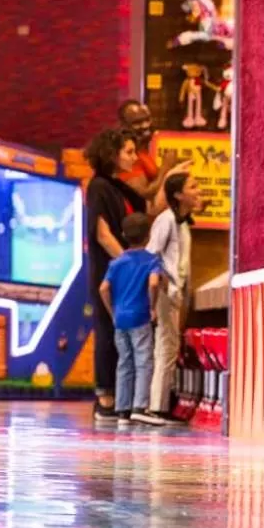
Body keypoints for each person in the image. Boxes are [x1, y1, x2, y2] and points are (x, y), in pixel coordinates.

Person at [84, 127, 148, 423]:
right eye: (129, 151)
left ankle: (123, 396)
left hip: (124, 268)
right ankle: (104, 396)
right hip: (112, 270)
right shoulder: (98, 186)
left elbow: (148, 205)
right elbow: (102, 232)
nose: (134, 157)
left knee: (122, 332)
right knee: (108, 330)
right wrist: (128, 262)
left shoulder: (118, 187)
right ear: (112, 154)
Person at [99, 213, 167, 427]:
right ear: (148, 236)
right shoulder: (152, 260)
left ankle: (122, 411)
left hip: (120, 319)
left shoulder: (116, 263)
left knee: (124, 363)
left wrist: (113, 312)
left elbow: (104, 288)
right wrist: (152, 307)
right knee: (144, 361)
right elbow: (154, 283)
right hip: (140, 317)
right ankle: (140, 407)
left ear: (123, 235)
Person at [147, 171, 200, 421]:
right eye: (193, 186)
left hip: (176, 292)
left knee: (170, 346)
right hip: (166, 292)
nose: (198, 191)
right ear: (178, 194)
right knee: (166, 347)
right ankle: (156, 406)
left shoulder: (183, 222)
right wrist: (162, 287)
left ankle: (163, 403)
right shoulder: (165, 220)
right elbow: (152, 255)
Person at [117, 100, 188, 216]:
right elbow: (143, 194)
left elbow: (153, 180)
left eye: (147, 120)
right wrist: (166, 167)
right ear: (124, 126)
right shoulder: (127, 156)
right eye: (137, 122)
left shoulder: (142, 150)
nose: (145, 126)